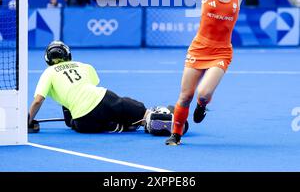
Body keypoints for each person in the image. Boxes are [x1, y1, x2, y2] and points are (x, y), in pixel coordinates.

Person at [165, 0, 294, 145]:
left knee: (204, 93)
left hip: (221, 52)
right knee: (185, 96)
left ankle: (203, 105)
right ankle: (176, 135)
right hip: (198, 48)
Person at [28, 41, 189, 136]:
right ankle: (148, 116)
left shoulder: (48, 72)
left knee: (74, 123)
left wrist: (27, 122)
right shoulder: (83, 65)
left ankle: (116, 125)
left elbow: (38, 101)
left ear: (48, 59)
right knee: (127, 105)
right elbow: (90, 88)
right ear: (68, 55)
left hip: (84, 123)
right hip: (101, 100)